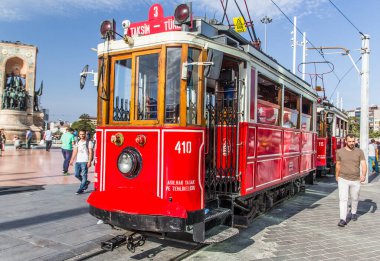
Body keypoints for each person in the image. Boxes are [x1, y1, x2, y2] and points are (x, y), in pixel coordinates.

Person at [335, 134, 367, 227]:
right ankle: (342, 219)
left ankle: (353, 212)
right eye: (350, 141)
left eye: (353, 141)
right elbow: (338, 164)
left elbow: (363, 164)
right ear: (346, 141)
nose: (352, 143)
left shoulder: (359, 152)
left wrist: (363, 175)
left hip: (355, 179)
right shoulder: (340, 151)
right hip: (343, 178)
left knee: (355, 198)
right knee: (343, 199)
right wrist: (337, 176)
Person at [69, 130, 93, 194]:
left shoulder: (89, 142)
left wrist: (89, 161)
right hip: (78, 161)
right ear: (79, 135)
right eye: (80, 134)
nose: (82, 135)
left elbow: (91, 152)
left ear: (85, 134)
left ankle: (81, 189)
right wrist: (72, 160)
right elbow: (75, 151)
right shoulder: (78, 142)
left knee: (84, 175)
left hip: (85, 161)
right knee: (76, 175)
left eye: (83, 134)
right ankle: (86, 182)